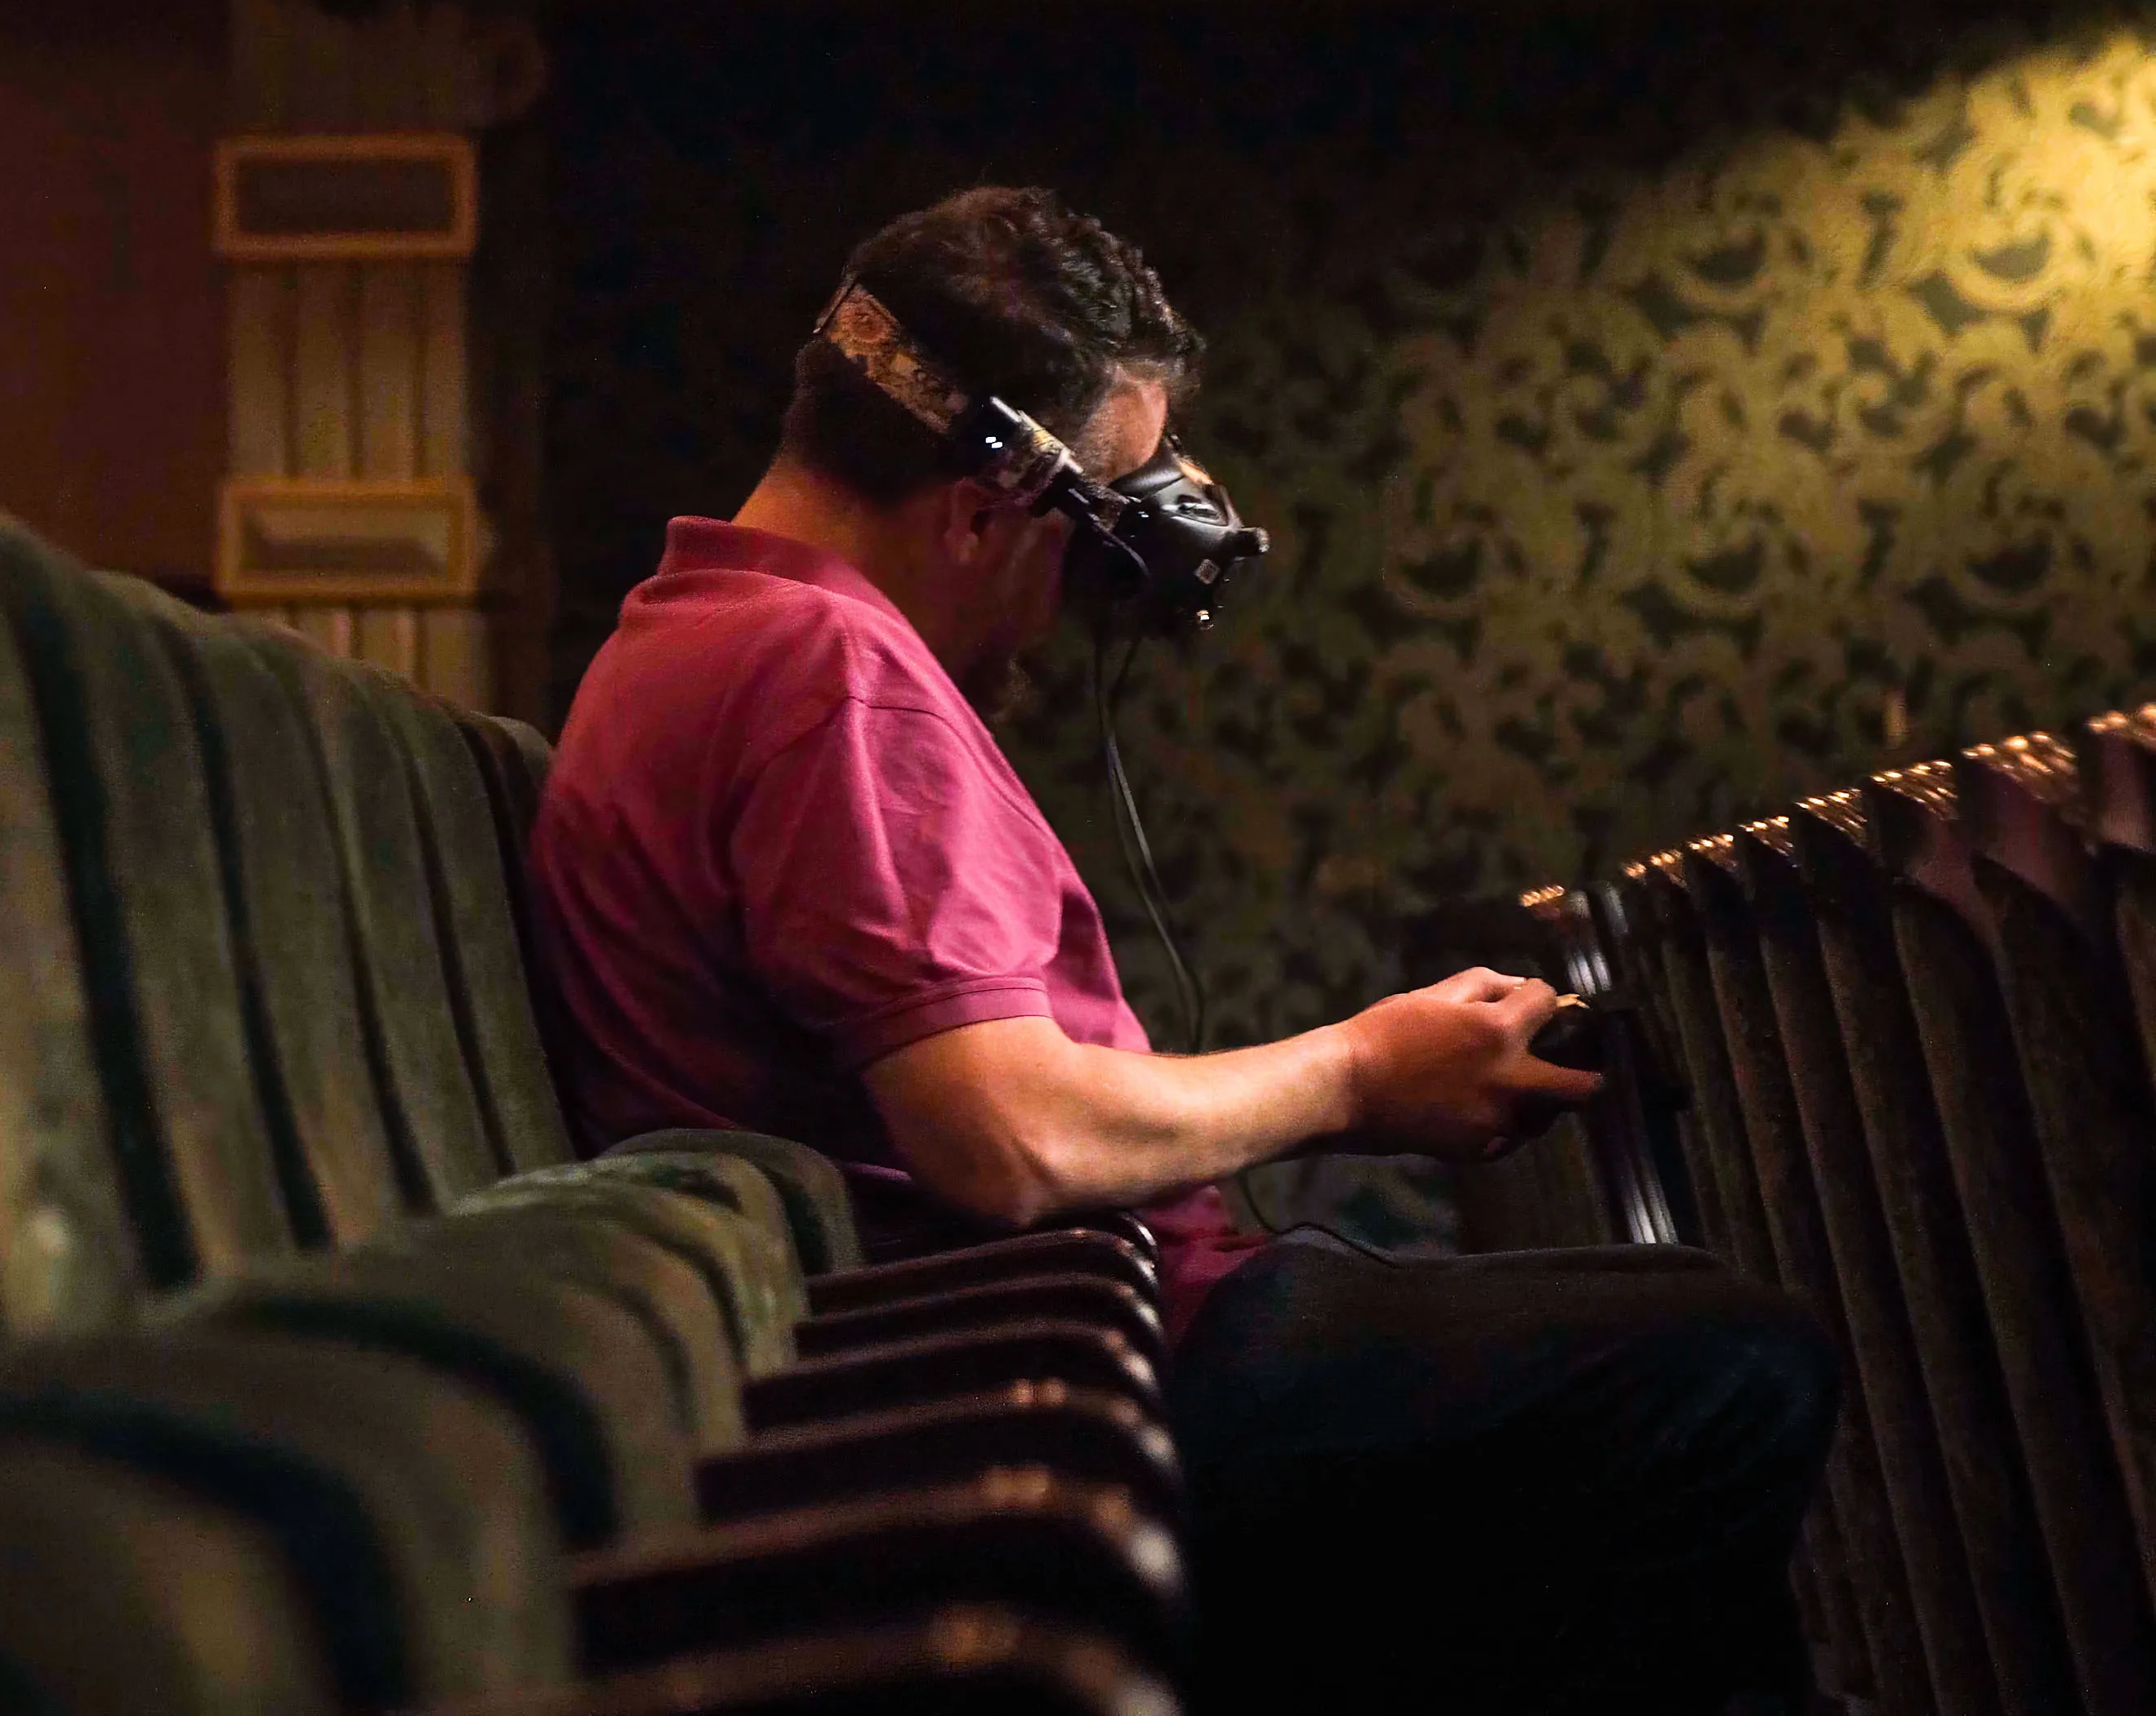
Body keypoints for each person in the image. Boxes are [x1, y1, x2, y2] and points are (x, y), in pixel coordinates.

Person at [526, 185, 1838, 1715]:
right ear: (983, 511)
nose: (1076, 612)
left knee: (1656, 1324)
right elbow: (1008, 1139)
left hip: (1017, 1344)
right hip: (1053, 1377)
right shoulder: (835, 678)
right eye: (1102, 528)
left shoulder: (684, 628)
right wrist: (1360, 1072)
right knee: (1734, 1354)